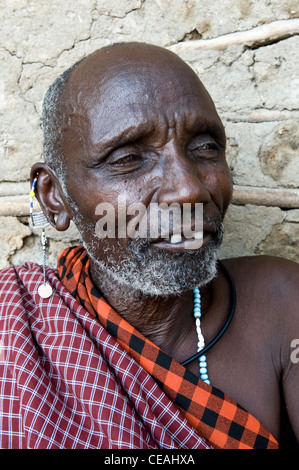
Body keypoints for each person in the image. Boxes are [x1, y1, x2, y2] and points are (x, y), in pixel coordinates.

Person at [0, 42, 298, 450]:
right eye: (127, 158)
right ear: (56, 198)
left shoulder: (283, 302)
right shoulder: (13, 329)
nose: (188, 190)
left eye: (206, 147)